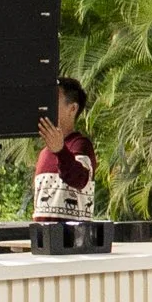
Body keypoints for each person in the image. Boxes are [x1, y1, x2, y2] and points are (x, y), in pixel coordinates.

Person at [33, 76, 98, 224]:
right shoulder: (44, 153)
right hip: (44, 241)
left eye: (54, 101)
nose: (47, 107)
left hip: (73, 241)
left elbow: (80, 179)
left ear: (73, 108)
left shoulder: (81, 145)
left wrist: (61, 151)